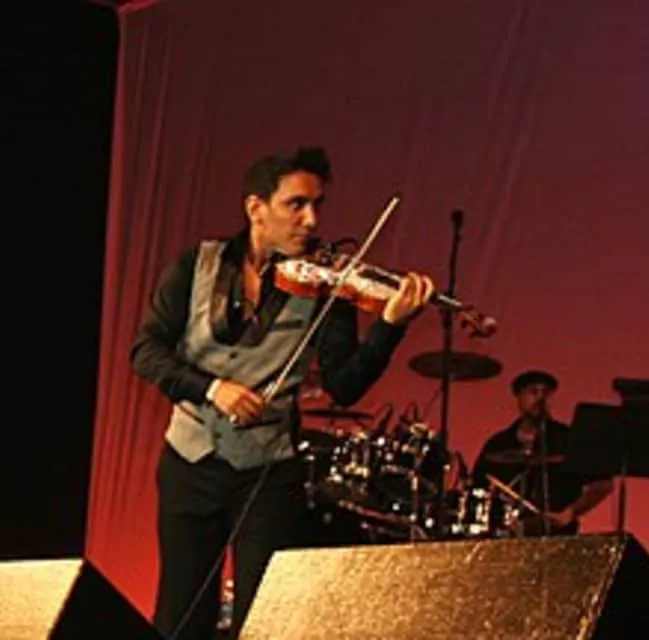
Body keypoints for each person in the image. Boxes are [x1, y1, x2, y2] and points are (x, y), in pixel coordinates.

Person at [129, 146, 434, 640]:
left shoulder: (328, 286)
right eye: (297, 205)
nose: (312, 220)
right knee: (180, 617)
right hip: (188, 461)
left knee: (264, 621)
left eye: (317, 206)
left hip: (268, 470)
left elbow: (344, 386)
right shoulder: (195, 265)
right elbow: (146, 352)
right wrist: (213, 388)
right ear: (256, 208)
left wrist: (390, 326)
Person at [472, 370, 613, 536]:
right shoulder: (499, 444)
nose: (540, 398)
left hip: (559, 534)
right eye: (533, 391)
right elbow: (478, 485)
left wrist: (569, 513)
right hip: (506, 535)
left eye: (545, 393)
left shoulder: (567, 439)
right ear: (519, 397)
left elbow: (602, 484)